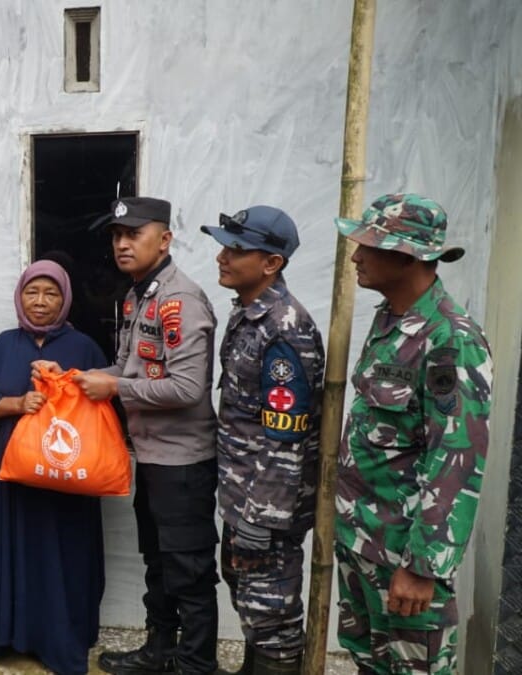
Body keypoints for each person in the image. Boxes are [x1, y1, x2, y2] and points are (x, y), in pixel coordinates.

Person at [42, 197, 220, 675]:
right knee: (159, 562)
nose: (122, 243)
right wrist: (76, 376)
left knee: (189, 570)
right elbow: (126, 366)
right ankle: (159, 650)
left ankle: (197, 664)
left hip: (183, 462)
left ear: (163, 240)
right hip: (153, 456)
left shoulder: (179, 300)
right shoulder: (138, 295)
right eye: (117, 235)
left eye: (133, 235)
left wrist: (114, 388)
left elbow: (187, 387)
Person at [333, 193, 492, 674]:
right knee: (370, 664)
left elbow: (456, 461)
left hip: (404, 556)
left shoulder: (450, 339)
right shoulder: (389, 322)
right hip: (363, 543)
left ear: (406, 256)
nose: (356, 256)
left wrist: (423, 567)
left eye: (368, 245)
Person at [201, 206, 324, 674]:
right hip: (243, 493)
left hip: (267, 505)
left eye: (236, 249)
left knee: (272, 615)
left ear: (271, 262)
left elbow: (286, 433)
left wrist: (263, 518)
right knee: (251, 604)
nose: (221, 257)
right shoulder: (250, 313)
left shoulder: (284, 327)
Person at [0, 260, 109, 674]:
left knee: (62, 552)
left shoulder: (84, 347)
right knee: (16, 548)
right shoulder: (5, 343)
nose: (40, 302)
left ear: (65, 298)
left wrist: (62, 387)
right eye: (32, 292)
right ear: (20, 296)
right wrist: (19, 404)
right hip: (14, 469)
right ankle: (10, 635)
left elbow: (105, 401)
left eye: (51, 293)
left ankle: (60, 638)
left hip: (67, 473)